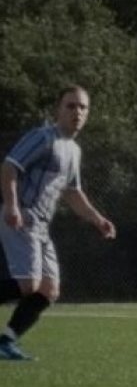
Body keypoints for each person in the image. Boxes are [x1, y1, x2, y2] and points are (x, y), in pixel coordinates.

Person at [0, 85, 116, 361]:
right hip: (23, 216)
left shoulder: (73, 150)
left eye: (83, 107)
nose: (77, 112)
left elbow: (72, 192)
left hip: (40, 226)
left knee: (49, 289)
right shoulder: (43, 138)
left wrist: (98, 219)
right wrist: (12, 205)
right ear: (58, 110)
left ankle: (6, 342)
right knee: (28, 284)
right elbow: (9, 166)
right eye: (71, 106)